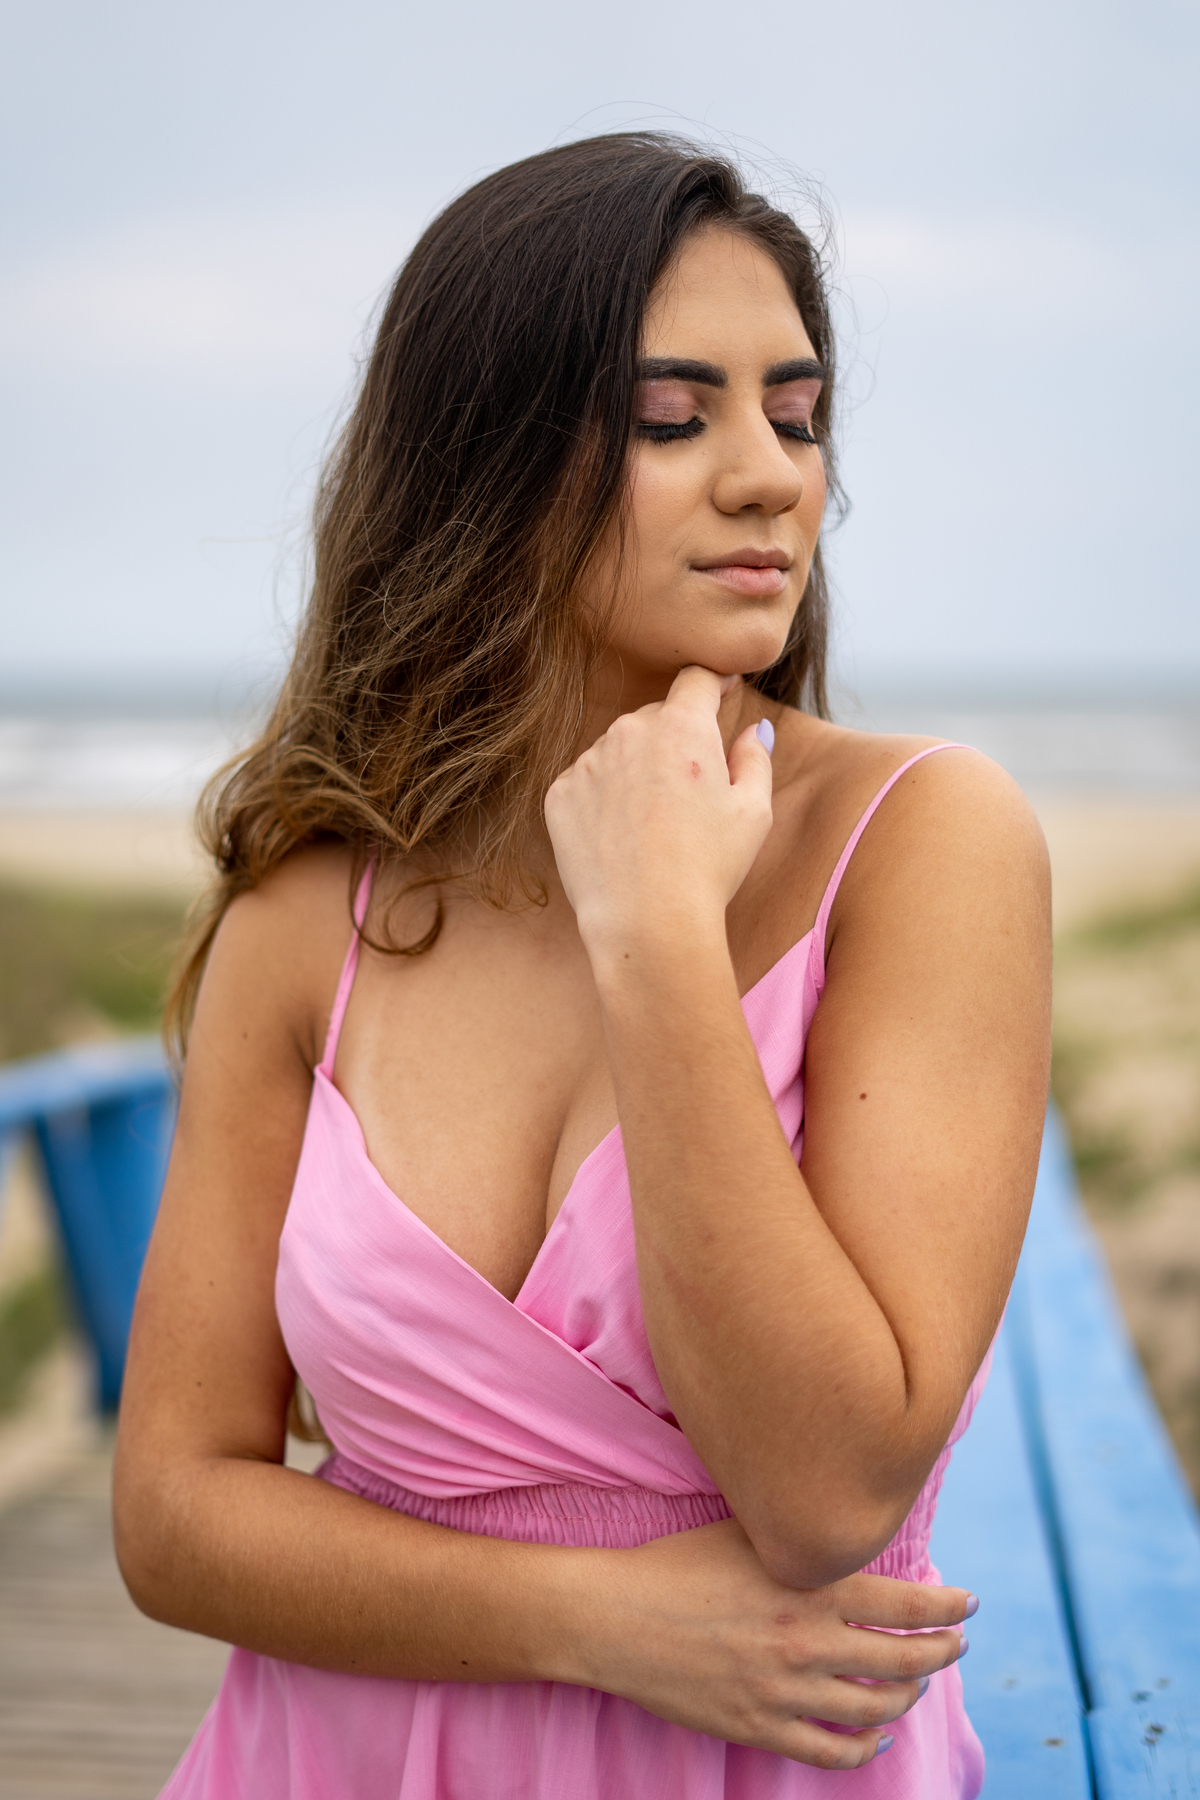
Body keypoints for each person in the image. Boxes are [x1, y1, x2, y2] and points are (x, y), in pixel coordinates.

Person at [113, 133, 1051, 1799]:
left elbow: (826, 1489)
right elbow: (176, 1512)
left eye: (798, 411)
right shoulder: (305, 921)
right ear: (480, 459)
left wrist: (659, 940)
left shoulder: (927, 843)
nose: (770, 473)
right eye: (672, 418)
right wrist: (593, 1617)